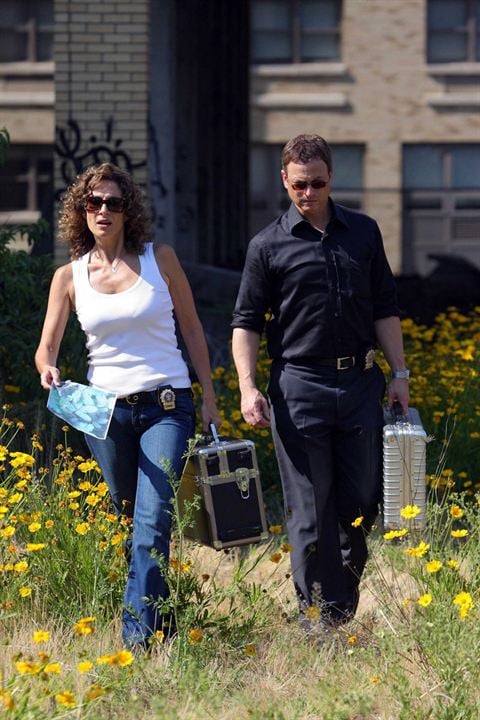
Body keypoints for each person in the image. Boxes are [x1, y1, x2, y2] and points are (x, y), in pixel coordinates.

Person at [35, 162, 221, 649]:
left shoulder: (161, 260)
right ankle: (164, 621)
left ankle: (136, 643)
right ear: (81, 211)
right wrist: (47, 368)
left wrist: (210, 397)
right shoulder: (68, 276)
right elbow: (47, 345)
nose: (103, 210)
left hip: (166, 406)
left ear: (127, 210)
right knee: (130, 520)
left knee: (153, 519)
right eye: (93, 202)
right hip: (105, 414)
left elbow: (194, 329)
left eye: (113, 203)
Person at [232, 134, 409, 634]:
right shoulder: (266, 245)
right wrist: (247, 387)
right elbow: (245, 321)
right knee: (310, 513)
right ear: (284, 181)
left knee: (360, 506)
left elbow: (385, 308)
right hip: (298, 387)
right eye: (299, 184)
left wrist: (399, 375)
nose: (308, 193)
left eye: (318, 183)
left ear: (332, 179)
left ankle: (340, 608)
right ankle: (317, 621)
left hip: (359, 384)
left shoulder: (364, 233)